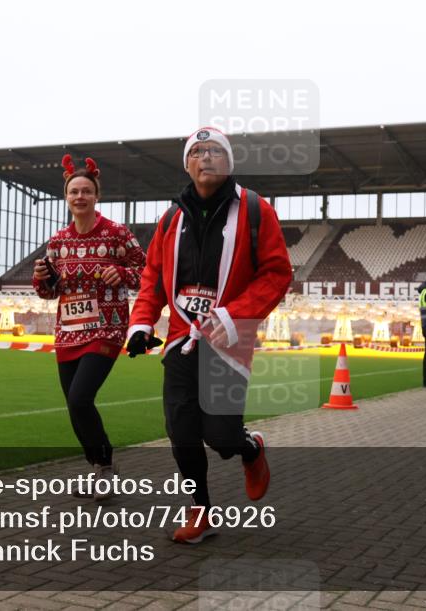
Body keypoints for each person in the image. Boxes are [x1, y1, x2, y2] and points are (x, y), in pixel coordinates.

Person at [126, 126, 292, 544]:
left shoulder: (256, 211)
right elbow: (152, 277)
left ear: (229, 161)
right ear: (187, 163)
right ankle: (200, 509)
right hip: (181, 341)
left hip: (228, 344)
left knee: (220, 435)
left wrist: (234, 316)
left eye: (216, 150)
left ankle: (250, 449)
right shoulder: (170, 219)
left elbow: (277, 274)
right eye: (197, 151)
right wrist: (142, 322)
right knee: (181, 432)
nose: (206, 157)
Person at [32, 154, 146, 499]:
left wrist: (123, 273)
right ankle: (98, 466)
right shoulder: (58, 241)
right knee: (74, 405)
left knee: (81, 399)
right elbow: (49, 293)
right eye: (73, 192)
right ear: (66, 198)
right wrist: (41, 280)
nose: (79, 197)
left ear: (97, 196)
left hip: (106, 327)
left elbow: (149, 274)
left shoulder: (117, 234)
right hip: (68, 330)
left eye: (86, 191)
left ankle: (106, 468)